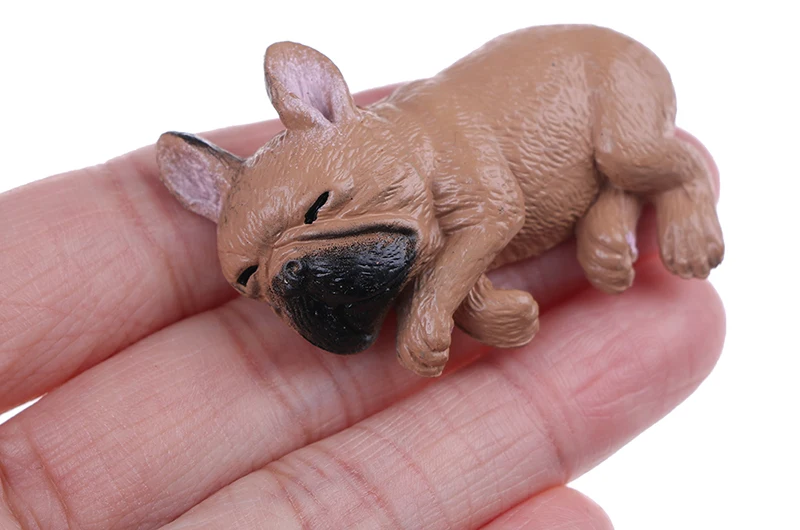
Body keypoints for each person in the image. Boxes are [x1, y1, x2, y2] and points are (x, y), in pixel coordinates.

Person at [0, 86, 725, 529]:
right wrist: (466, 305)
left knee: (629, 155)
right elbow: (438, 244)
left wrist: (433, 309)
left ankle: (677, 186)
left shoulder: (430, 150)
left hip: (596, 85)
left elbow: (496, 212)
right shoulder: (397, 203)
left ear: (327, 105)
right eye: (253, 275)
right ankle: (610, 208)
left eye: (318, 210)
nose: (289, 271)